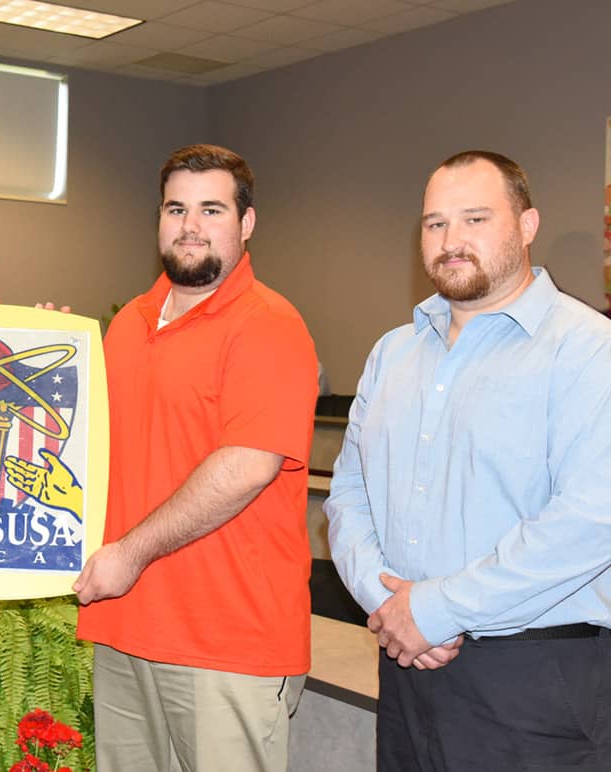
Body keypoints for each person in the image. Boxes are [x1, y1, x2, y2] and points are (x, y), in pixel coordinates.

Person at [325, 150, 611, 770]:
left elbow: (592, 521)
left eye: (475, 219)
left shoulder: (588, 350)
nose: (451, 240)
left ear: (527, 225)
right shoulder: (393, 353)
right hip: (406, 665)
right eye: (435, 223)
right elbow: (349, 494)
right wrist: (388, 603)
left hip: (536, 684)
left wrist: (435, 611)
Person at [74, 144, 319, 771]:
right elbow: (80, 443)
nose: (190, 226)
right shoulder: (127, 324)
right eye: (176, 209)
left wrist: (130, 553)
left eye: (212, 209)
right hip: (124, 626)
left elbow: (247, 466)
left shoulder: (268, 324)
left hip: (226, 643)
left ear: (247, 222)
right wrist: (30, 346)